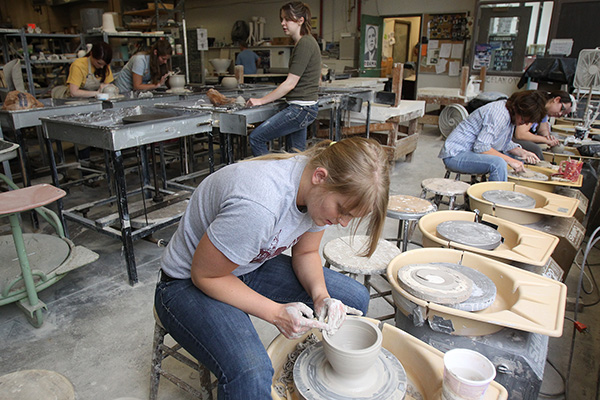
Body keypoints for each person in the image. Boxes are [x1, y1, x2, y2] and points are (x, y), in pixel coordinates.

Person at [155, 137, 390, 399]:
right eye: (342, 211)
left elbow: (307, 252)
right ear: (319, 177)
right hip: (186, 282)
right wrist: (277, 313)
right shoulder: (259, 206)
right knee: (251, 372)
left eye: (350, 216)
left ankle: (333, 375)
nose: (342, 223)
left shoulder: (319, 189)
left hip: (245, 264)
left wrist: (321, 296)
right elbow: (206, 275)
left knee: (353, 299)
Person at [247, 2, 321, 156]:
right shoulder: (304, 42)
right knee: (295, 155)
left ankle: (269, 178)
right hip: (304, 108)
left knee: (256, 138)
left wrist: (261, 100)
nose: (283, 23)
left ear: (300, 20)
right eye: (282, 19)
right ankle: (291, 180)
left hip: (300, 109)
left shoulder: (305, 43)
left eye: (287, 19)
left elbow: (290, 84)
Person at [439, 90, 547, 181]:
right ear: (517, 109)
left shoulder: (510, 114)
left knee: (518, 160)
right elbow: (481, 147)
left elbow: (502, 142)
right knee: (498, 163)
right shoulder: (499, 114)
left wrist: (523, 152)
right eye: (524, 120)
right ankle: (495, 201)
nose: (524, 124)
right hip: (456, 154)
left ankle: (508, 192)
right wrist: (510, 161)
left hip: (470, 152)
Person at [513, 90, 574, 159]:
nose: (560, 114)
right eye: (562, 109)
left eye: (563, 112)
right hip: (509, 134)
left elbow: (543, 129)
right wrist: (544, 140)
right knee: (536, 149)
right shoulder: (537, 105)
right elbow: (520, 134)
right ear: (557, 100)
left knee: (542, 145)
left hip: (518, 135)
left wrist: (548, 137)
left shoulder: (544, 110)